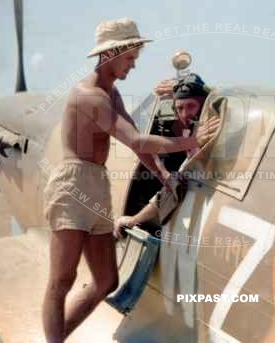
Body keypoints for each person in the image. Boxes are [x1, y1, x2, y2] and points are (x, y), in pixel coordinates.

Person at [41, 18, 220, 343]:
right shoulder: (89, 96)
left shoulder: (112, 93)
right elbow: (136, 141)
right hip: (73, 183)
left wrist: (163, 175)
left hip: (96, 181)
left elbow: (138, 145)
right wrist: (192, 142)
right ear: (112, 54)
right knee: (61, 281)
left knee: (107, 280)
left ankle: (56, 336)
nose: (133, 67)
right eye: (130, 59)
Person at [113, 73, 217, 237]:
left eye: (191, 106)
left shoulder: (208, 132)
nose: (184, 115)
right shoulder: (195, 133)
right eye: (179, 108)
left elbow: (175, 187)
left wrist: (134, 219)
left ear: (203, 103)